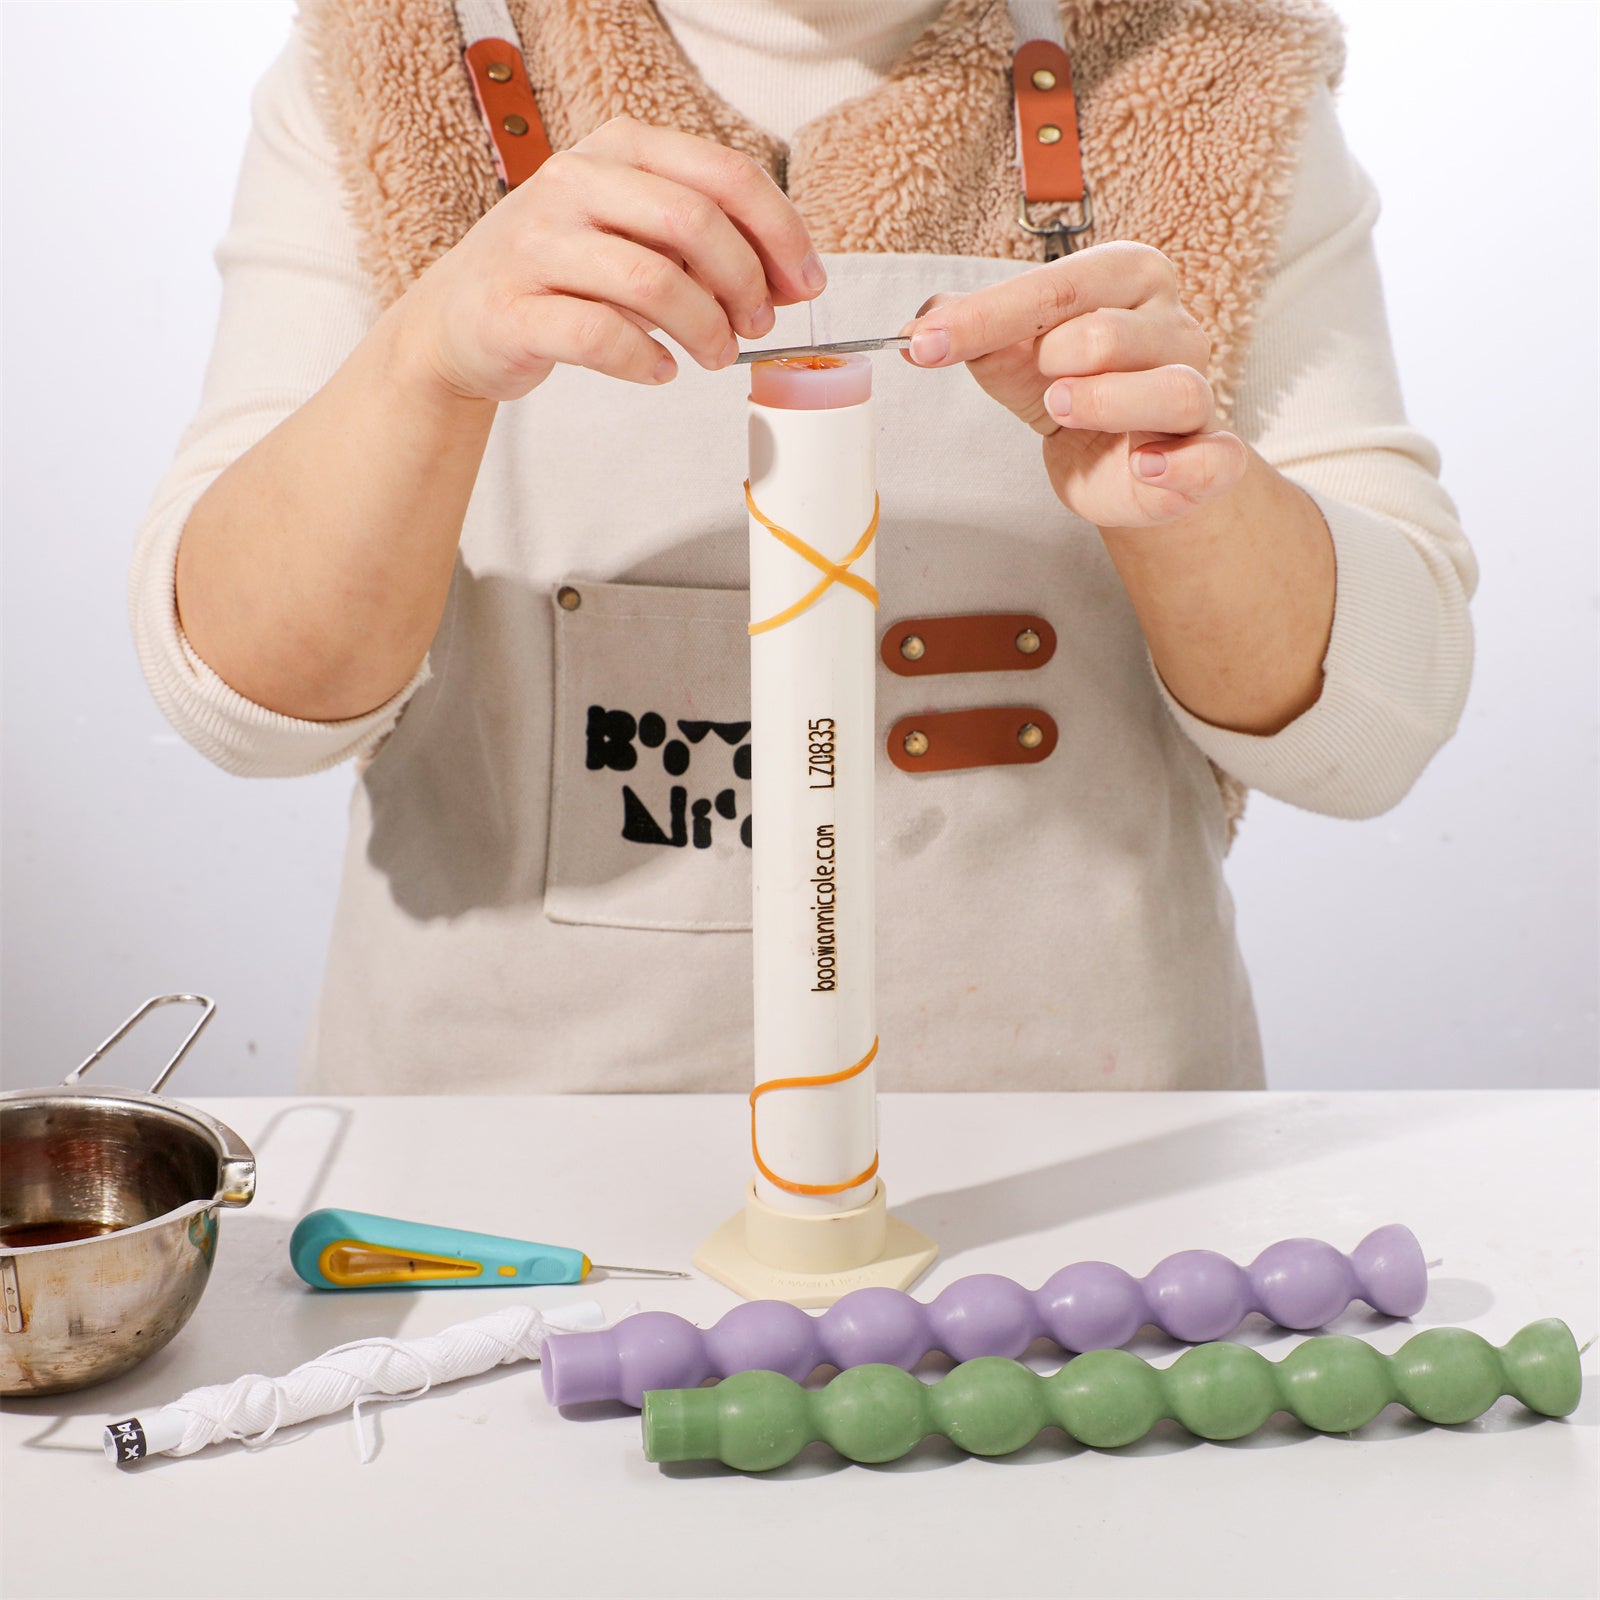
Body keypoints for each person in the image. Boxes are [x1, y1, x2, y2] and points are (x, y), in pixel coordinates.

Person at [130, 0, 1475, 1093]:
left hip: (1079, 1192)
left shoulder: (1216, 72)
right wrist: (425, 359)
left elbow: (1383, 730)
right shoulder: (389, 56)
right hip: (499, 1206)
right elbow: (240, 703)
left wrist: (1196, 504)